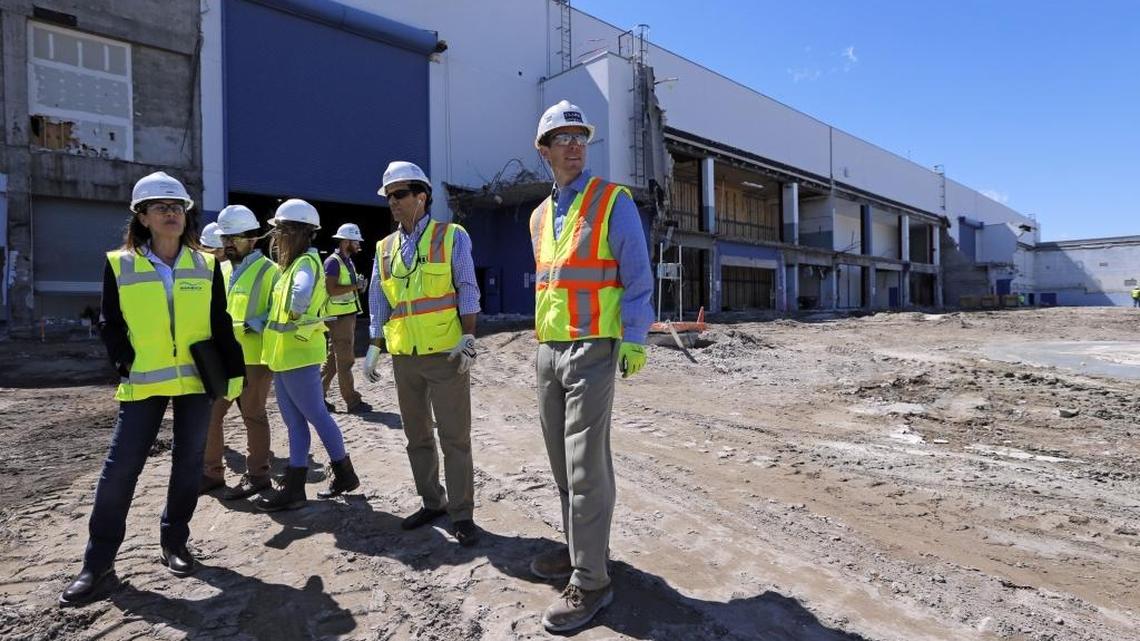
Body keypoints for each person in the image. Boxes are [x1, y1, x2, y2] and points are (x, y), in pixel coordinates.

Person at [59, 172, 244, 606]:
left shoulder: (206, 264)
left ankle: (175, 542)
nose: (171, 213)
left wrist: (234, 374)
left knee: (188, 466)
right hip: (143, 383)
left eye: (177, 206)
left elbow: (220, 323)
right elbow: (110, 322)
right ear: (141, 217)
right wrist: (125, 362)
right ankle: (98, 563)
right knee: (121, 470)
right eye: (161, 207)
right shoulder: (120, 263)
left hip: (196, 383)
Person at [527, 101, 654, 632]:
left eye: (581, 136)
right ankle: (581, 549)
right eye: (563, 137)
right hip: (549, 349)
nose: (575, 145)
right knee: (561, 464)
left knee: (585, 468)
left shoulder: (611, 201)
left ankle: (592, 581)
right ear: (544, 150)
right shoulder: (538, 215)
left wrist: (633, 337)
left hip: (593, 349)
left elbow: (637, 273)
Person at [363, 161, 482, 546]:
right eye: (389, 197)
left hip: (447, 353)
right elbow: (379, 299)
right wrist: (373, 346)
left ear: (421, 196)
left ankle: (462, 513)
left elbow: (467, 287)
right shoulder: (384, 248)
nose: (393, 203)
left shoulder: (452, 237)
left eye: (399, 195)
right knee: (416, 436)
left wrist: (469, 338)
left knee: (455, 438)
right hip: (405, 356)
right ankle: (433, 502)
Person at [256, 199, 360, 511]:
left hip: (298, 354)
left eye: (279, 231)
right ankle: (296, 486)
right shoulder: (293, 265)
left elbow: (301, 295)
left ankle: (344, 473)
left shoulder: (305, 264)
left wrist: (296, 307)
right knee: (295, 421)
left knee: (315, 415)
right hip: (285, 356)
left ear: (294, 232)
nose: (275, 237)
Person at [199, 205, 281, 500]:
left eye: (236, 238)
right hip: (222, 358)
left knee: (253, 415)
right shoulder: (219, 270)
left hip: (254, 357)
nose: (229, 243)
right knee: (211, 414)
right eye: (226, 238)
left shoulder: (271, 271)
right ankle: (211, 473)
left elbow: (280, 311)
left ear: (253, 239)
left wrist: (256, 323)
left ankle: (259, 475)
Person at [321, 223, 370, 413]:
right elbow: (331, 290)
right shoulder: (333, 262)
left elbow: (346, 288)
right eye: (356, 241)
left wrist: (358, 286)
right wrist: (355, 287)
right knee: (346, 361)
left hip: (345, 317)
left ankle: (317, 397)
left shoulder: (346, 261)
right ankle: (352, 401)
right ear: (346, 241)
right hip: (339, 318)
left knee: (333, 361)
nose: (359, 244)